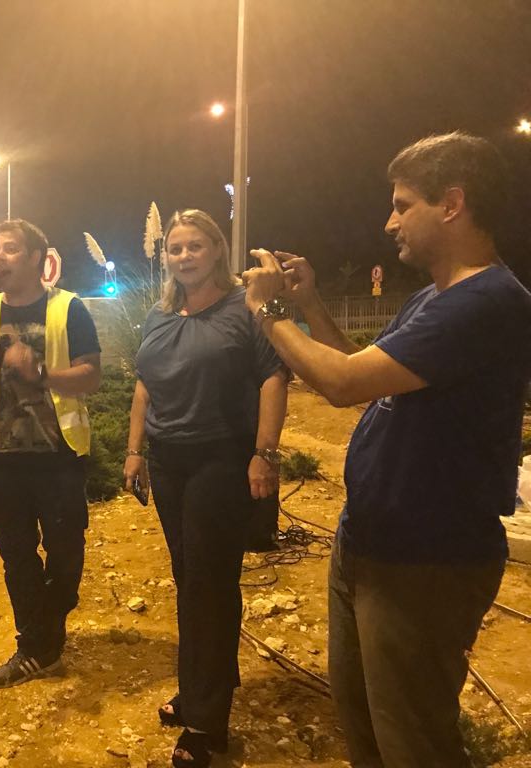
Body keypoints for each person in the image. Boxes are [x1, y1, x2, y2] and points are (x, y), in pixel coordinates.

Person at [241, 132, 531, 768]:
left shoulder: (486, 303)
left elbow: (342, 384)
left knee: (414, 743)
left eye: (402, 205)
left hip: (424, 561)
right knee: (364, 726)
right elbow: (363, 369)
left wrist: (268, 311)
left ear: (451, 204)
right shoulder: (435, 297)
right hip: (369, 543)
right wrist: (309, 302)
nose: (389, 222)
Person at [123, 209, 288, 767]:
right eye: (175, 248)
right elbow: (144, 385)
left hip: (221, 458)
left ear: (216, 249)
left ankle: (205, 724)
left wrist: (265, 453)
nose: (184, 255)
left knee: (207, 585)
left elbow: (274, 377)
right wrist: (135, 450)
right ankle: (205, 685)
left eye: (195, 245)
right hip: (169, 460)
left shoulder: (245, 308)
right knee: (191, 578)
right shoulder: (159, 314)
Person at [0, 219, 102, 689]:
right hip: (0, 458)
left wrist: (40, 372)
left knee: (66, 554)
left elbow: (91, 376)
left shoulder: (67, 307)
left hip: (59, 456)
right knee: (16, 557)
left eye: (11, 249)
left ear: (37, 257)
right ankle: (36, 647)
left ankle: (45, 630)